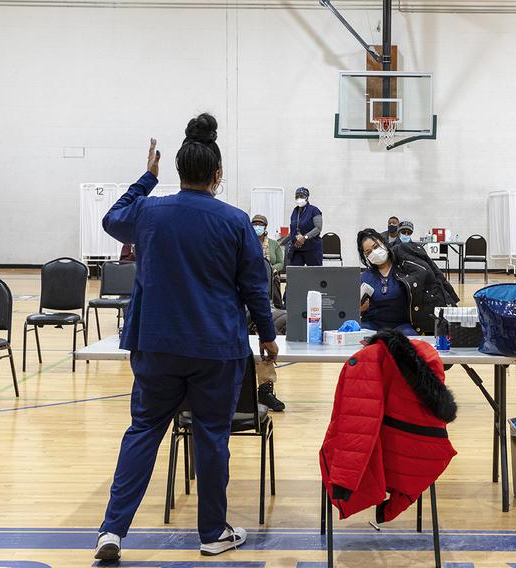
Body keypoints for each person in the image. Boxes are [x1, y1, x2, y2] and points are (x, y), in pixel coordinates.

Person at [95, 115, 278, 561]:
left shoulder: (148, 211)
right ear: (218, 174)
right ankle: (212, 532)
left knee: (142, 432)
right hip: (216, 347)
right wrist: (269, 338)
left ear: (177, 172)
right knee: (212, 436)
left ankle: (112, 532)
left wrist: (146, 178)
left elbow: (111, 218)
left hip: (155, 343)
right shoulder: (235, 221)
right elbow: (256, 285)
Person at [251, 214, 286, 412]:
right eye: (254, 224)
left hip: (257, 302)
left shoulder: (270, 248)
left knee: (263, 337)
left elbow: (259, 293)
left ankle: (265, 390)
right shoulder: (243, 245)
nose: (257, 227)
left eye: (260, 224)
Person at [359, 230, 417, 336]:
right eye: (368, 252)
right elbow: (355, 309)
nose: (373, 252)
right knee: (360, 338)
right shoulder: (365, 276)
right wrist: (360, 309)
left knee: (411, 340)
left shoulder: (403, 270)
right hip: (371, 324)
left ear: (384, 244)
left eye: (376, 247)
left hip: (401, 325)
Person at [286, 187, 323, 267]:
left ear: (307, 197)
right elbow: (293, 228)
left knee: (315, 275)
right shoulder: (295, 211)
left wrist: (304, 237)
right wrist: (295, 238)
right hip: (297, 248)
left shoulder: (314, 210)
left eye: (302, 196)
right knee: (295, 274)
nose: (299, 198)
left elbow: (318, 228)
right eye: (297, 196)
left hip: (312, 248)